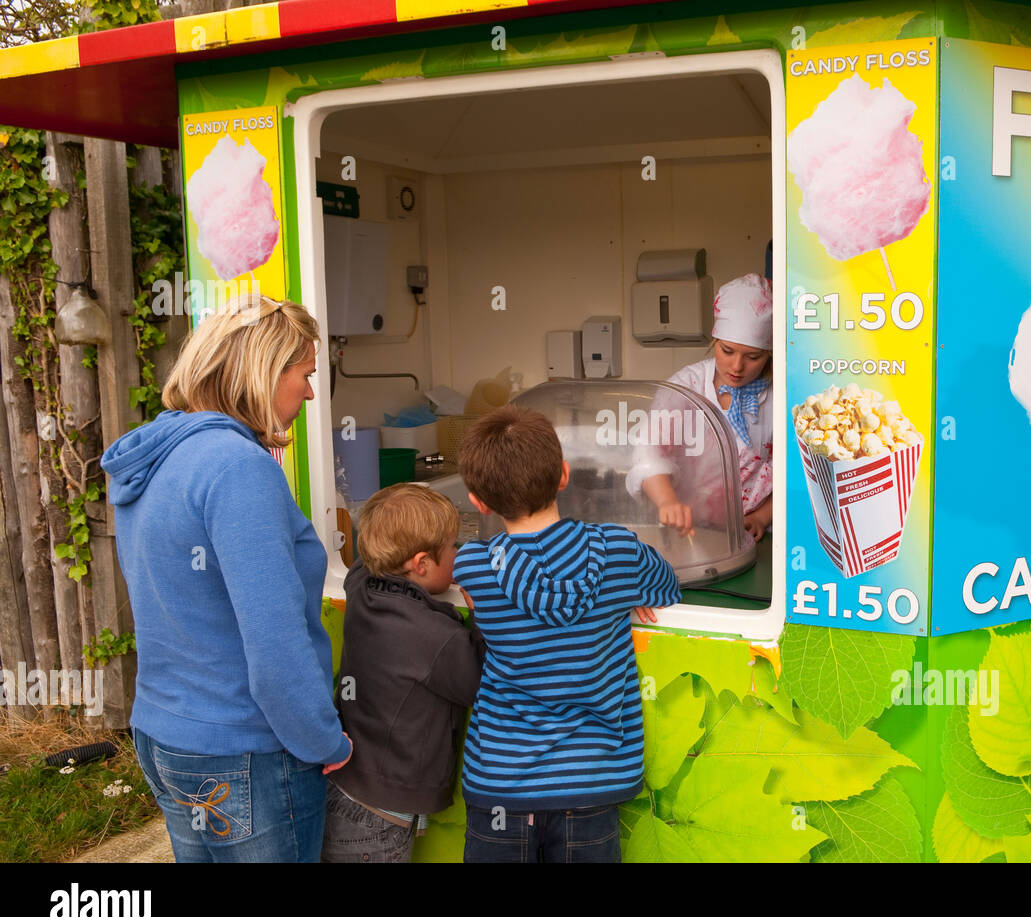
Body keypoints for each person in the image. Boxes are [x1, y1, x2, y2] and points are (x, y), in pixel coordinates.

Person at [102, 295, 352, 863]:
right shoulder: (237, 468)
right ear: (264, 370)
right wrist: (323, 740)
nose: (310, 394)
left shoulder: (161, 457)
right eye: (306, 375)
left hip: (168, 733)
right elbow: (274, 642)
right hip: (247, 748)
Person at [453, 405, 680, 863]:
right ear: (563, 474)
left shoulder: (472, 566)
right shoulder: (618, 552)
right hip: (590, 784)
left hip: (500, 783)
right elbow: (667, 585)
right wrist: (625, 589)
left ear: (478, 501)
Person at [322, 483, 485, 863]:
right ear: (422, 563)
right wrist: (481, 610)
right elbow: (480, 681)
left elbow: (366, 560)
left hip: (345, 790)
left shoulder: (361, 588)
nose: (458, 555)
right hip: (379, 818)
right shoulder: (435, 638)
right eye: (453, 548)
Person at [633, 273, 774, 541]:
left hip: (754, 534)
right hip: (688, 530)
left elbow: (797, 471)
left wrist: (761, 517)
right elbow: (648, 451)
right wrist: (667, 502)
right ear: (714, 342)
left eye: (753, 357)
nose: (737, 367)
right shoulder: (686, 386)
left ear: (769, 354)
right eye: (727, 351)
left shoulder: (781, 398)